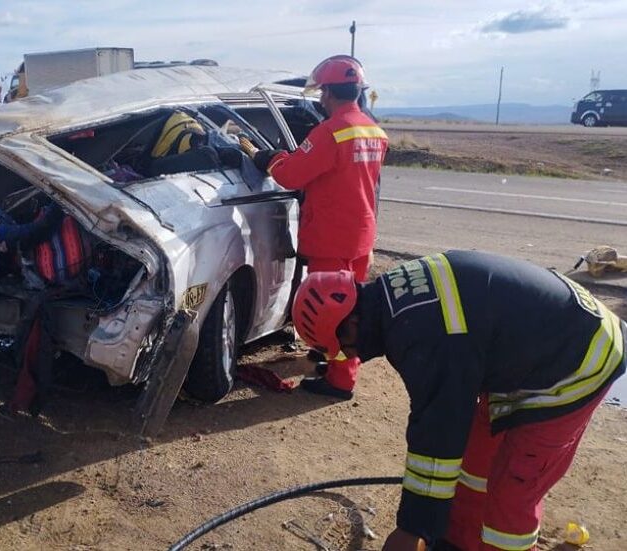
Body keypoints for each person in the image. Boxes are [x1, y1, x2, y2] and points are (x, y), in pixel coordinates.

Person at [291, 250, 625, 551]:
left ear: (350, 324)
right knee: (474, 462)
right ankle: (459, 542)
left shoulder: (419, 337)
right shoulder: (394, 299)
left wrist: (412, 530)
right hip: (531, 350)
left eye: (341, 350)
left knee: (511, 493)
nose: (350, 357)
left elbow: (438, 433)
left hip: (575, 363)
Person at [244, 55, 389, 399]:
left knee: (333, 310)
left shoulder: (330, 132)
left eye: (323, 93)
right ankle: (331, 358)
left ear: (329, 93)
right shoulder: (373, 129)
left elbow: (291, 175)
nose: (321, 99)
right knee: (353, 305)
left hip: (332, 236)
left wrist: (267, 158)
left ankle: (340, 380)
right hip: (361, 232)